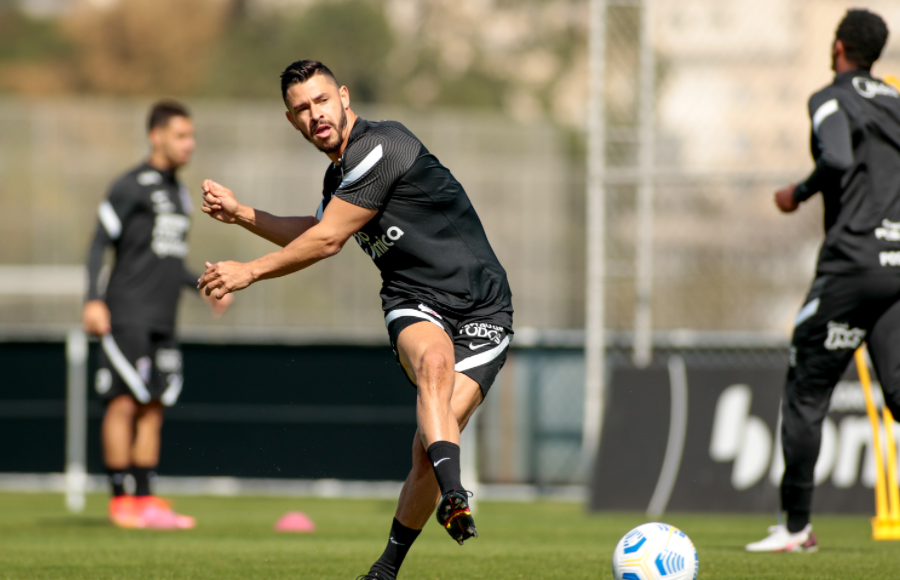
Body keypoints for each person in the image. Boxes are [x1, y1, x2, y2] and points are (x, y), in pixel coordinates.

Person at [197, 60, 513, 578]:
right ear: (291, 120)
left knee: (427, 450)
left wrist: (248, 272)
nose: (315, 114)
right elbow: (321, 226)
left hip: (484, 308)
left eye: (321, 100)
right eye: (302, 109)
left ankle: (387, 565)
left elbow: (326, 240)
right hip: (414, 299)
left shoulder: (383, 144)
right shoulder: (338, 175)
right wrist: (242, 214)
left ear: (343, 96)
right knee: (433, 365)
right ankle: (455, 495)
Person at [747, 9, 900, 552]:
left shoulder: (831, 97)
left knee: (807, 392)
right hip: (896, 268)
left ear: (838, 46)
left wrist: (799, 192)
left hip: (851, 268)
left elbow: (836, 156)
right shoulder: (895, 102)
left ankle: (796, 528)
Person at [82, 100, 232, 530]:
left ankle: (145, 497)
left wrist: (204, 287)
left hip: (164, 318)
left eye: (192, 136)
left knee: (153, 407)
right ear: (156, 136)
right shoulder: (130, 185)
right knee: (124, 403)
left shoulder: (179, 193)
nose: (190, 144)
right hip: (126, 313)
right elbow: (98, 244)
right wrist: (93, 299)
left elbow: (167, 260)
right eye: (182, 135)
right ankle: (119, 501)